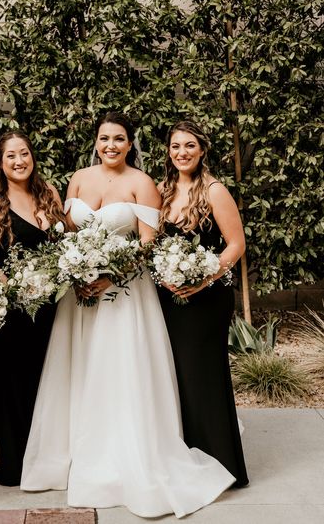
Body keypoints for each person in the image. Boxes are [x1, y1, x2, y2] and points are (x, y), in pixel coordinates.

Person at [21, 111, 236, 519]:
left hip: (123, 294)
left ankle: (122, 455)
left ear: (130, 143)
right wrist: (75, 267)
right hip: (81, 296)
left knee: (118, 371)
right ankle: (71, 452)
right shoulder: (79, 179)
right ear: (96, 141)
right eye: (105, 138)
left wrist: (109, 276)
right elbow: (69, 232)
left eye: (119, 139)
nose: (111, 146)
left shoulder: (143, 184)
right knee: (80, 369)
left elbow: (148, 246)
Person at [156, 119, 249, 488]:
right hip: (169, 298)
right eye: (176, 146)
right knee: (176, 377)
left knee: (203, 377)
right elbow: (151, 243)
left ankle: (223, 464)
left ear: (202, 150)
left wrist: (204, 277)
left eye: (189, 146)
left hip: (206, 300)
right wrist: (162, 274)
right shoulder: (161, 191)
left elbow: (236, 244)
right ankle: (186, 457)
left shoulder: (214, 190)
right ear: (169, 151)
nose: (182, 152)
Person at [0, 130, 65, 487]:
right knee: (13, 384)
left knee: (47, 380)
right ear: (1, 163)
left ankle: (48, 457)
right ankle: (14, 462)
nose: (19, 161)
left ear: (32, 157)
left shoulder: (50, 193)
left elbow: (64, 242)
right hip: (12, 309)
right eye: (11, 156)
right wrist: (12, 288)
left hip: (51, 306)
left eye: (24, 153)